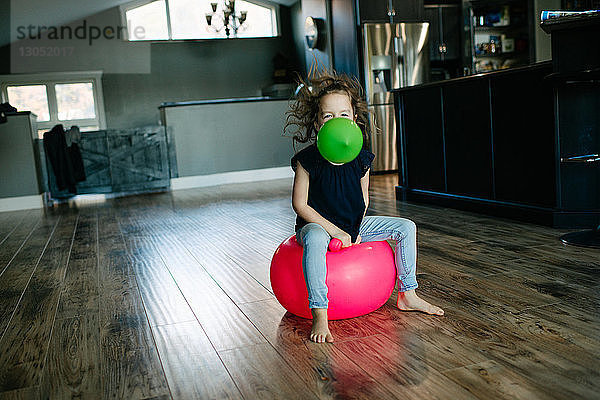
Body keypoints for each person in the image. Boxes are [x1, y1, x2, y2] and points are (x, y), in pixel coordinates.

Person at [285, 70, 444, 344]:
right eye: (328, 116)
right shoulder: (307, 160)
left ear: (354, 119)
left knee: (406, 227)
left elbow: (364, 199)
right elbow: (299, 204)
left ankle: (408, 293)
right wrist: (334, 231)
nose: (337, 121)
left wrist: (354, 229)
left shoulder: (361, 158)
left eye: (344, 115)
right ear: (317, 122)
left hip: (351, 224)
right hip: (317, 226)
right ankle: (320, 312)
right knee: (314, 238)